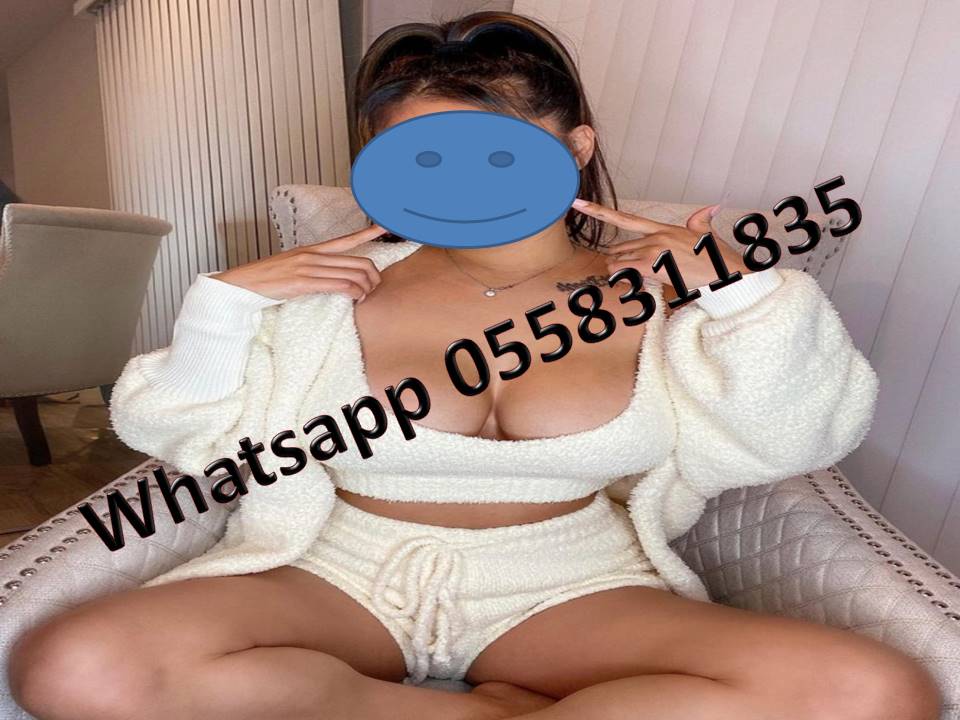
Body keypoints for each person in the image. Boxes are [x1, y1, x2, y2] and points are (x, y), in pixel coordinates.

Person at [8, 10, 941, 720]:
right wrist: (220, 307)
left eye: (489, 155)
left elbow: (796, 440)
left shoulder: (665, 295)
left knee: (875, 692)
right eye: (416, 158)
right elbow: (185, 439)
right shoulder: (327, 291)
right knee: (74, 667)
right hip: (340, 573)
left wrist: (743, 295)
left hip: (570, 586)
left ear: (575, 147)